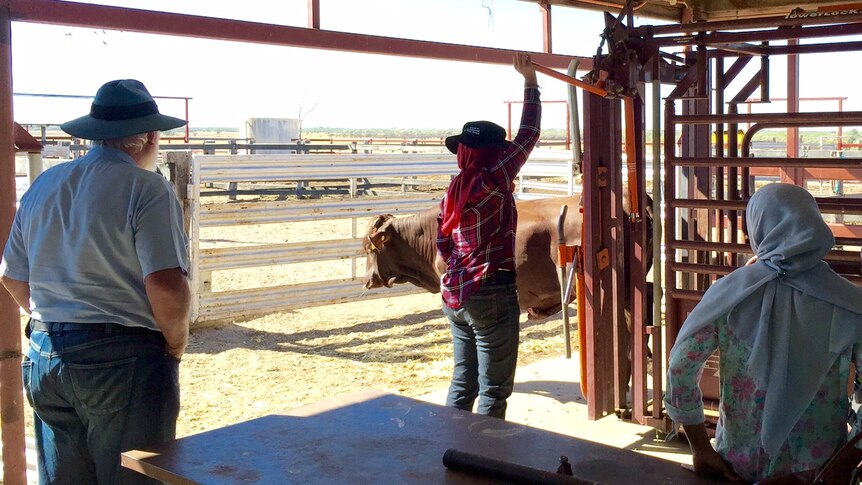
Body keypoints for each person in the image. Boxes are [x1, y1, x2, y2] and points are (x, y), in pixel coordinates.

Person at [0, 79, 191, 485]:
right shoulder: (147, 189)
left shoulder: (44, 185)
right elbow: (166, 285)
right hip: (122, 356)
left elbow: (11, 275)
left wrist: (55, 318)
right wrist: (175, 342)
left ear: (94, 135)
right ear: (150, 138)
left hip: (45, 352)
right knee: (134, 474)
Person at [665, 183, 862, 482]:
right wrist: (844, 463)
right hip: (818, 470)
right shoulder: (849, 302)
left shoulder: (730, 293)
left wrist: (701, 448)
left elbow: (681, 366)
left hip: (737, 464)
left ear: (758, 227)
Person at [436, 53, 540, 419]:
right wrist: (530, 82)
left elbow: (443, 246)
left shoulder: (454, 189)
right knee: (494, 391)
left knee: (464, 383)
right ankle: (483, 461)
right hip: (490, 292)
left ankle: (451, 451)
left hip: (455, 297)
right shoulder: (492, 180)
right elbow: (528, 135)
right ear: (495, 154)